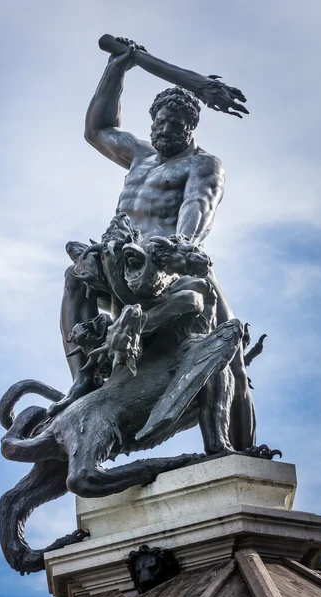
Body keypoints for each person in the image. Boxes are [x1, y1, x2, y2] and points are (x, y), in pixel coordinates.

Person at [61, 45, 255, 450]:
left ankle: (236, 450)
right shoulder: (139, 157)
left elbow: (198, 208)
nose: (164, 129)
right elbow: (97, 129)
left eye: (174, 123)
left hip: (172, 261)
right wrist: (120, 65)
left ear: (190, 127)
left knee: (230, 355)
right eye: (160, 121)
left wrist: (180, 246)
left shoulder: (202, 164)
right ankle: (81, 377)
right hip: (121, 263)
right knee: (75, 277)